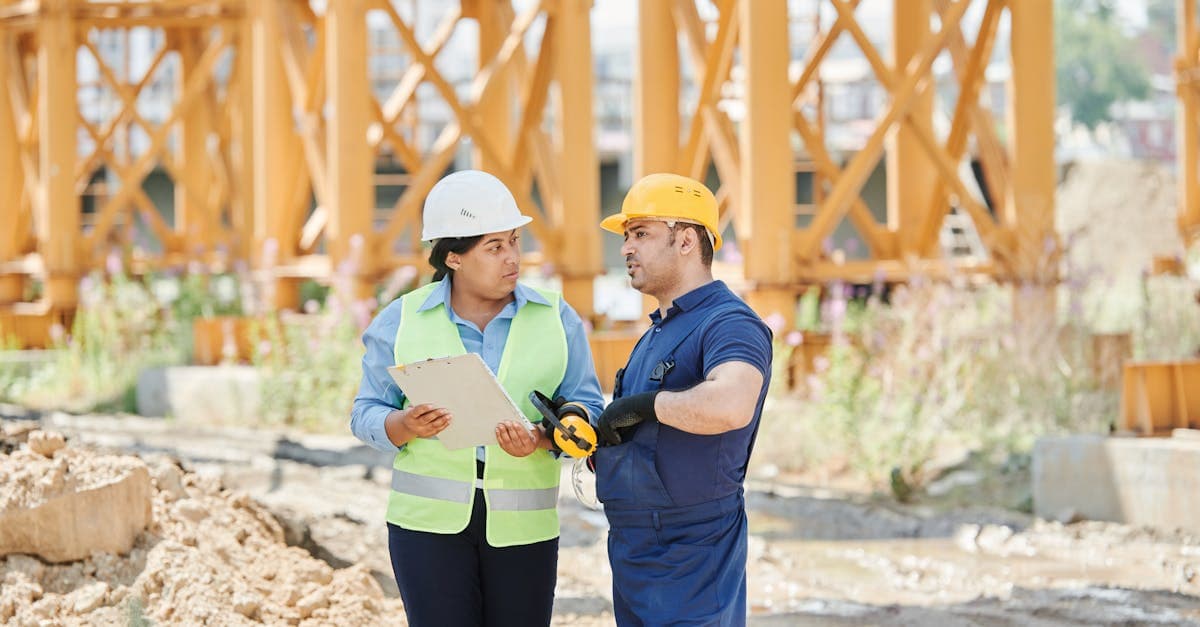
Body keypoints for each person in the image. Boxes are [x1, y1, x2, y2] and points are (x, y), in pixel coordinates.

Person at [350, 169, 604, 627]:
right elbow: (365, 412)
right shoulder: (401, 320)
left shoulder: (556, 318)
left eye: (513, 241)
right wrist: (404, 426)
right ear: (454, 258)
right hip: (426, 530)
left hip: (524, 531)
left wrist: (544, 439)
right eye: (494, 246)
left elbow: (588, 409)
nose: (513, 258)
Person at [593, 173, 773, 626]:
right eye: (627, 236)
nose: (626, 248)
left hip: (693, 553)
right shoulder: (658, 330)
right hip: (636, 550)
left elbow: (731, 404)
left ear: (687, 240)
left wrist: (645, 406)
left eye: (641, 234)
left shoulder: (729, 324)